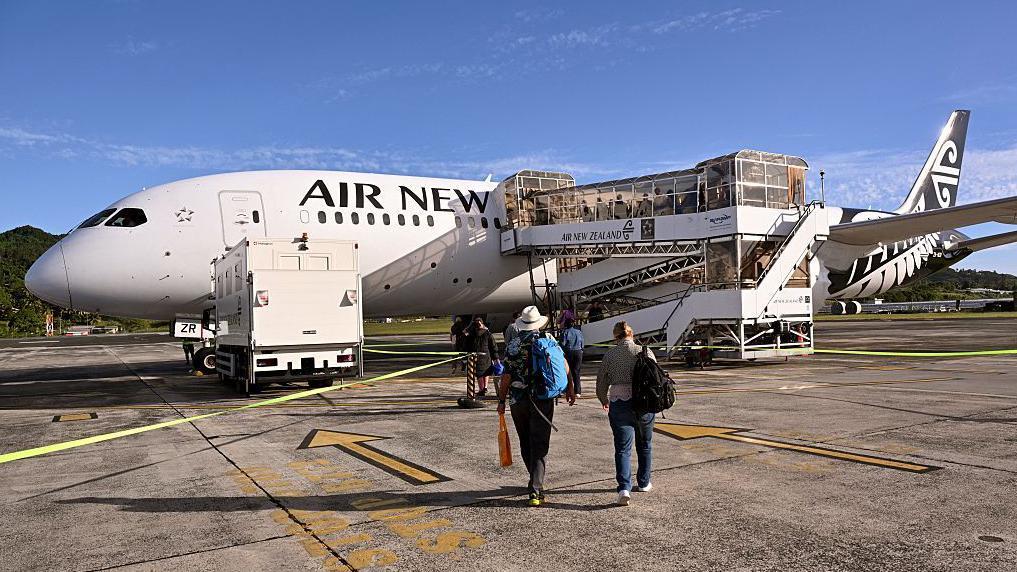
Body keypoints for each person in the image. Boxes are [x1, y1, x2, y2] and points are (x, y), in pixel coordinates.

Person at [497, 306, 575, 506]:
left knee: (525, 441)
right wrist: (570, 388)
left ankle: (534, 479)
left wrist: (501, 401)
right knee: (540, 443)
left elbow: (506, 376)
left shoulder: (513, 345)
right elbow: (564, 365)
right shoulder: (548, 341)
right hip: (543, 398)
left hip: (518, 400)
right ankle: (536, 488)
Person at [596, 321, 656, 506]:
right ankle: (644, 482)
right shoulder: (644, 351)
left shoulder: (610, 355)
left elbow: (601, 382)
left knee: (623, 448)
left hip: (619, 402)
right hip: (644, 403)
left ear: (616, 336)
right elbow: (655, 375)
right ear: (632, 334)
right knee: (644, 443)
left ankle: (624, 488)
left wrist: (603, 399)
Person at [468, 316, 498, 396]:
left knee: (479, 373)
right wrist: (496, 357)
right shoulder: (487, 333)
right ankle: (485, 387)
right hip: (486, 355)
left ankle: (481, 389)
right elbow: (493, 346)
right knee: (486, 372)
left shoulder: (472, 334)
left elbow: (468, 345)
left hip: (476, 355)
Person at [560, 318, 584, 398]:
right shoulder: (579, 332)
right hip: (578, 352)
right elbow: (582, 343)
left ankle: (567, 390)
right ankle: (578, 391)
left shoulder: (565, 332)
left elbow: (563, 344)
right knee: (576, 372)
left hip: (569, 352)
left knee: (567, 372)